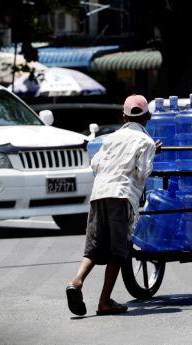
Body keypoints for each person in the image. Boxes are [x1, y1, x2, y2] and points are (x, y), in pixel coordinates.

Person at [66, 95, 162, 316]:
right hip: (122, 197)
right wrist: (153, 153)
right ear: (148, 117)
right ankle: (104, 302)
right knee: (118, 252)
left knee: (94, 247)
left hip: (99, 193)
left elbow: (96, 163)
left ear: (124, 116)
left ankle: (77, 281)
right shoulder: (146, 142)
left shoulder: (111, 138)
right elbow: (144, 172)